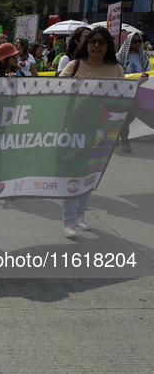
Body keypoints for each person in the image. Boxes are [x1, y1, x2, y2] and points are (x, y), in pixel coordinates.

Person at [59, 26, 125, 238]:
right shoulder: (74, 65)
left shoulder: (115, 69)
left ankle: (80, 215)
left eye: (101, 41)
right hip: (73, 128)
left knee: (90, 173)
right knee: (71, 172)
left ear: (108, 45)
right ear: (86, 44)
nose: (96, 45)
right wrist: (70, 86)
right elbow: (55, 95)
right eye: (92, 41)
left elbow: (120, 100)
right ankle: (69, 221)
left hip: (100, 131)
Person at [116, 31, 151, 153]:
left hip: (138, 93)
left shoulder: (144, 57)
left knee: (130, 116)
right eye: (134, 41)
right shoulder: (119, 57)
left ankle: (116, 135)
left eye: (139, 41)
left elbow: (149, 72)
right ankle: (125, 141)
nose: (137, 43)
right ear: (129, 42)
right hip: (122, 92)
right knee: (124, 116)